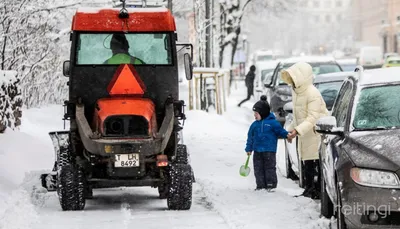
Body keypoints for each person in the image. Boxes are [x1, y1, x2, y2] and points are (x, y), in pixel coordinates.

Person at [280, 62, 329, 199]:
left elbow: (313, 117)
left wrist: (297, 131)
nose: (293, 81)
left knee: (314, 164)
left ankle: (316, 191)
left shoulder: (312, 93)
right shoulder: (297, 92)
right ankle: (309, 189)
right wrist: (290, 131)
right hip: (305, 134)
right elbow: (298, 117)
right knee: (307, 164)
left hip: (315, 134)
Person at [245, 95, 291, 191]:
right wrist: (249, 148)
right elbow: (250, 137)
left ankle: (271, 184)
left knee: (269, 167)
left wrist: (287, 135)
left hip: (269, 150)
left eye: (256, 113)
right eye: (254, 113)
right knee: (258, 168)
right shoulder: (254, 125)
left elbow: (280, 131)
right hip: (257, 151)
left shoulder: (273, 123)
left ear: (263, 113)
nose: (255, 115)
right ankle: (260, 185)